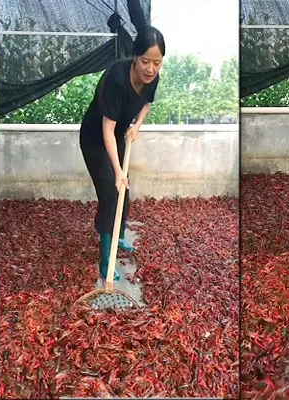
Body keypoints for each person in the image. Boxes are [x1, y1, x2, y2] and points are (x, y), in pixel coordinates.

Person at [79, 26, 165, 281]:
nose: (151, 69)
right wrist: (117, 171)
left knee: (124, 190)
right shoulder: (117, 77)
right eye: (145, 62)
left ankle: (119, 236)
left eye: (157, 63)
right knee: (111, 192)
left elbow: (146, 103)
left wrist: (136, 126)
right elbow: (107, 127)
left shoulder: (153, 78)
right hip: (95, 137)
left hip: (118, 134)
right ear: (135, 57)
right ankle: (106, 260)